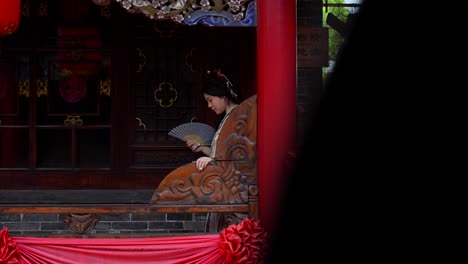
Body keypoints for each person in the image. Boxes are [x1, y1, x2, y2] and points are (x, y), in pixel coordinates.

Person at [186, 69, 241, 171]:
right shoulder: (227, 118)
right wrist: (202, 148)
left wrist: (212, 161)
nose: (209, 105)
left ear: (223, 96)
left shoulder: (238, 117)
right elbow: (220, 154)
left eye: (210, 100)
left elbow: (238, 155)